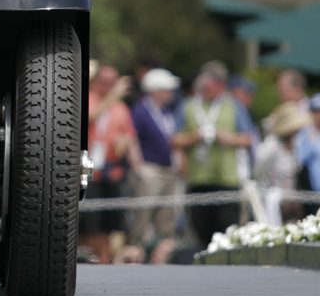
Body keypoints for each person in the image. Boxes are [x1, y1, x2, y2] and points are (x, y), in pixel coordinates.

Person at [170, 61, 253, 247]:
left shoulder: (233, 105)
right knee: (201, 232)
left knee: (226, 231)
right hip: (198, 179)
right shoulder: (188, 105)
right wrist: (194, 137)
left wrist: (228, 138)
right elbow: (174, 140)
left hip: (228, 179)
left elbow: (248, 139)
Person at [79, 63, 143, 263]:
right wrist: (113, 95)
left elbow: (129, 136)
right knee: (89, 223)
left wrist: (136, 162)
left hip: (110, 171)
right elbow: (89, 117)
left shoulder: (120, 108)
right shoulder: (88, 99)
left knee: (110, 225)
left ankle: (104, 261)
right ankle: (88, 258)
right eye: (105, 82)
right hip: (88, 170)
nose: (110, 86)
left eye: (112, 83)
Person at [128, 67, 181, 246]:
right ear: (155, 90)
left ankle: (163, 256)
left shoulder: (166, 111)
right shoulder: (141, 110)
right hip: (149, 169)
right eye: (166, 89)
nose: (170, 93)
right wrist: (138, 167)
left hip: (168, 169)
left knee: (166, 219)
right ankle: (135, 254)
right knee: (142, 218)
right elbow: (132, 138)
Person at [254, 102, 309, 225]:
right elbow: (259, 175)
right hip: (272, 203)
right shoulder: (270, 147)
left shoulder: (296, 145)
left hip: (292, 202)